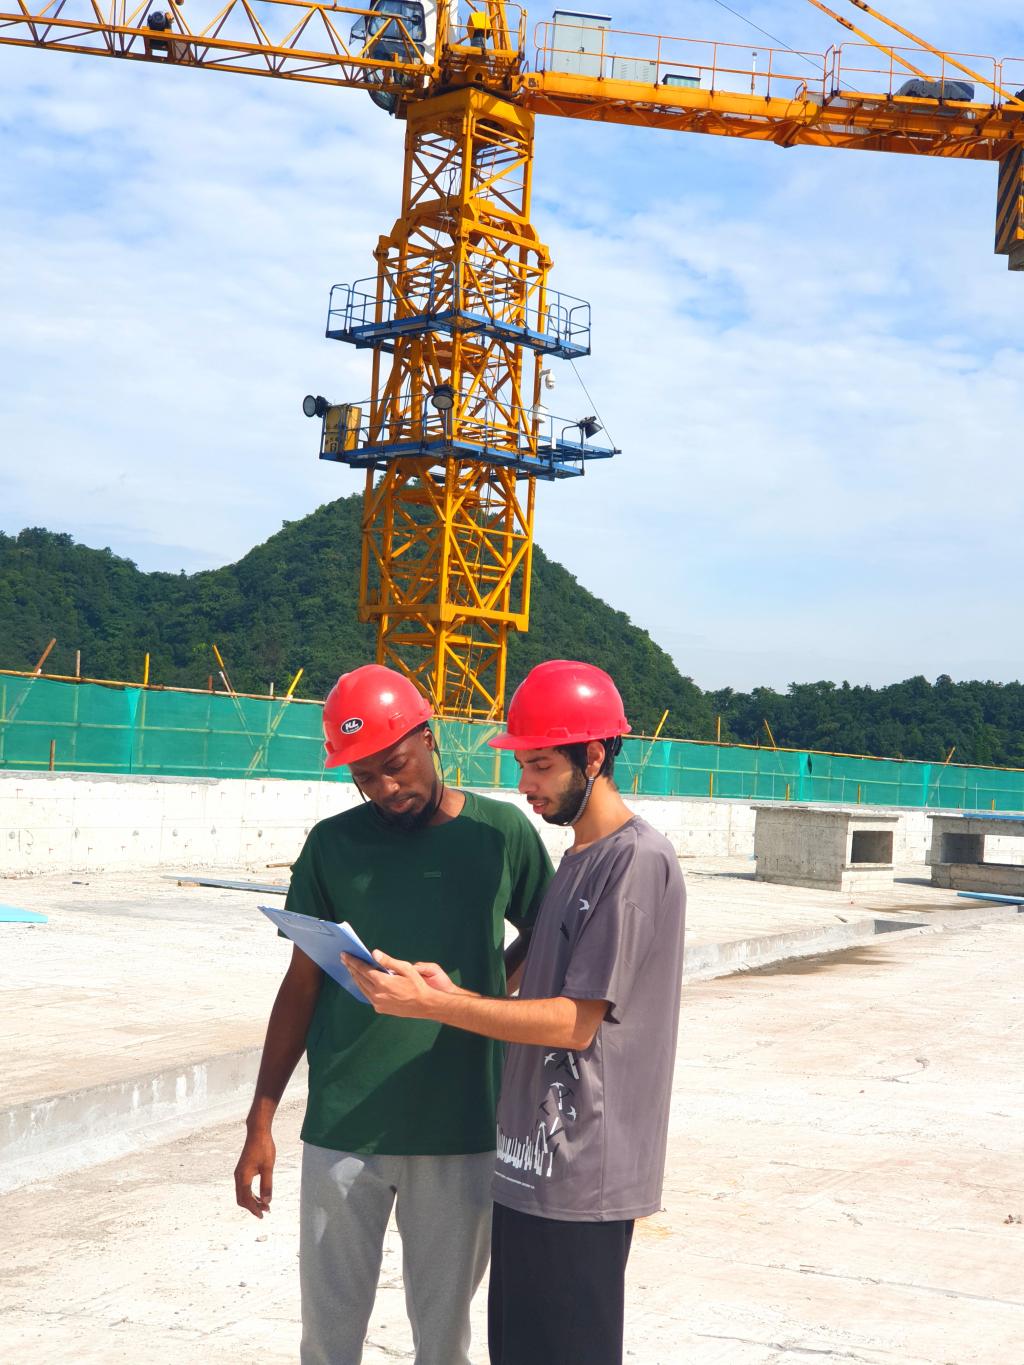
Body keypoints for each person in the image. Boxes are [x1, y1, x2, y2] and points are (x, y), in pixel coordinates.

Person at [346, 659, 687, 1365]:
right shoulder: (579, 857)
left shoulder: (634, 863)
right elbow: (539, 990)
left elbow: (574, 1022)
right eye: (522, 764)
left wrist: (437, 1008)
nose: (525, 784)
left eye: (540, 765)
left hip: (586, 1170)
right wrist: (456, 991)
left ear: (594, 757)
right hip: (534, 1163)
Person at [233, 664, 553, 1365]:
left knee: (443, 1340)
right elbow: (300, 985)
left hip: (461, 1124)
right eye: (364, 776)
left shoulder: (500, 833)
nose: (384, 788)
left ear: (430, 738)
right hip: (344, 1124)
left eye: (396, 765)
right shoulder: (331, 845)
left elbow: (550, 933)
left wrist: (479, 997)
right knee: (327, 1339)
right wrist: (261, 1120)